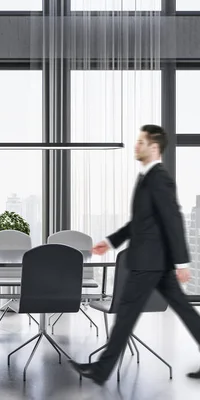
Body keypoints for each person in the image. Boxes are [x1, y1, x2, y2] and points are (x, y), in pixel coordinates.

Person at [68, 124, 200, 384]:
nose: (136, 146)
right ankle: (102, 369)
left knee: (127, 312)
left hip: (150, 261)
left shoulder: (159, 178)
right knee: (183, 309)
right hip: (155, 260)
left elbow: (173, 219)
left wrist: (182, 261)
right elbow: (140, 222)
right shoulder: (146, 178)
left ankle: (101, 370)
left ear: (154, 147)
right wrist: (110, 241)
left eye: (141, 142)